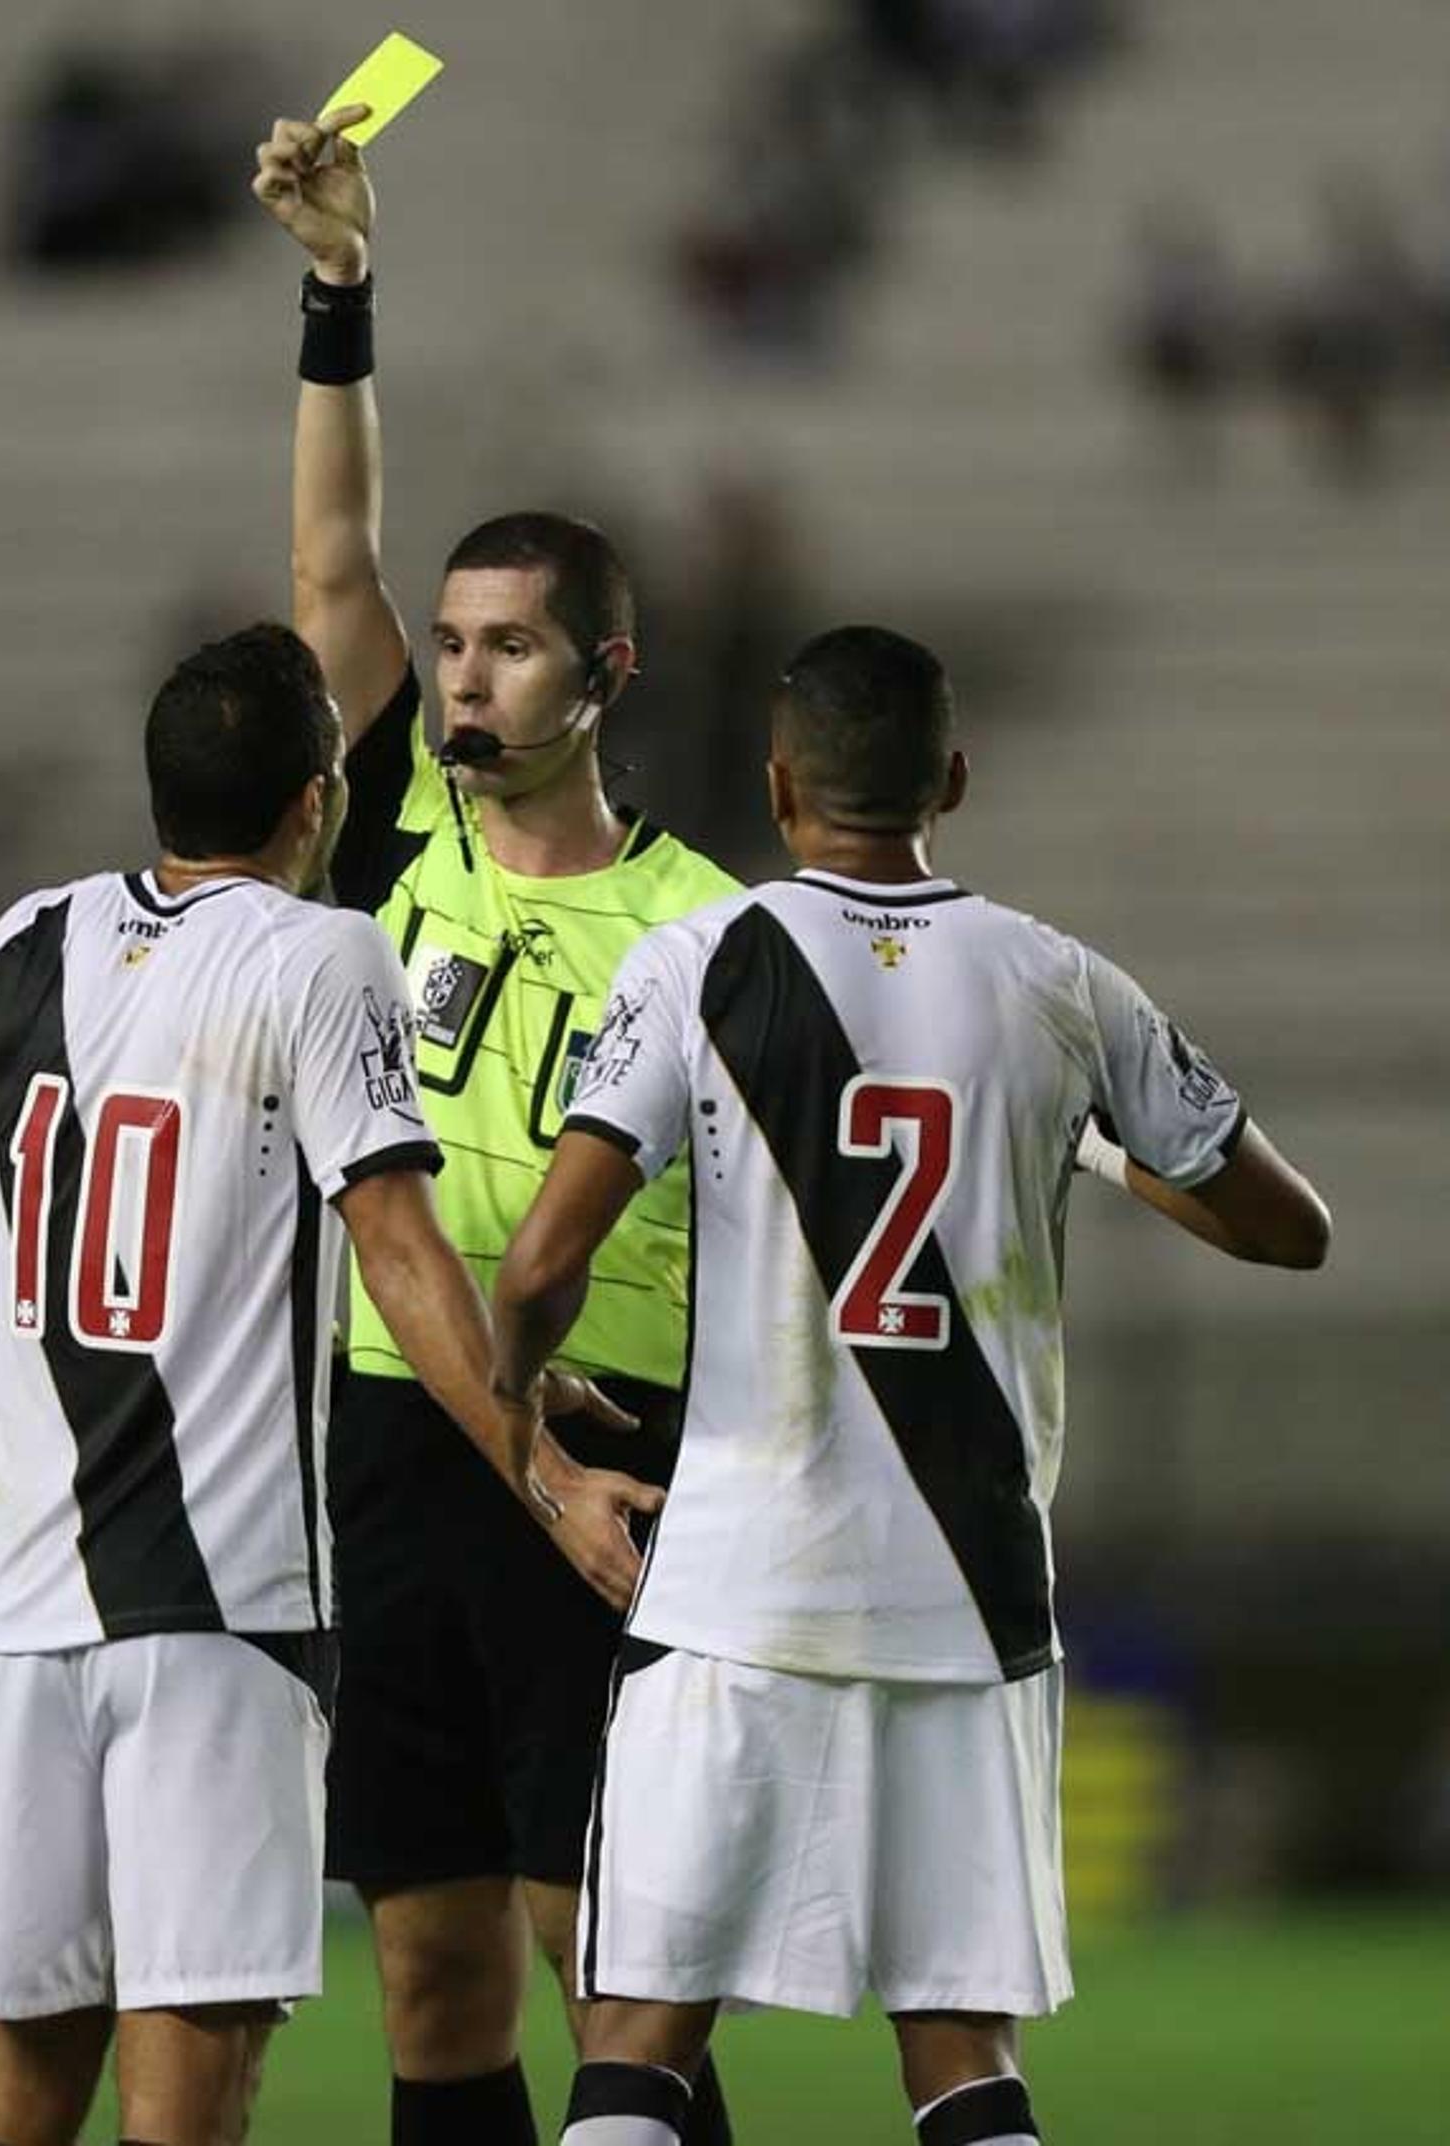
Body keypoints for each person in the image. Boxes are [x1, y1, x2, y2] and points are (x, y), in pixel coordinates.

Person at [0, 622, 651, 2146]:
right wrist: (537, 1464)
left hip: (19, 1612)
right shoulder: (320, 952)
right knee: (192, 2079)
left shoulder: (30, 941)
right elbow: (400, 1251)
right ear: (313, 803)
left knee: (28, 2070)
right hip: (210, 1613)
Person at [491, 624, 1332, 2146]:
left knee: (639, 2039)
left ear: (777, 780)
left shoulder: (700, 959)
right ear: (953, 776)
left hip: (741, 1590)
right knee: (961, 2046)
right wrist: (1096, 1151)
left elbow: (546, 1259)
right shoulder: (1061, 982)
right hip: (967, 1588)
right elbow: (1293, 1225)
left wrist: (516, 1384)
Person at [250, 108, 742, 2146]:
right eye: (450, 643)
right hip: (397, 1423)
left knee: (592, 1941)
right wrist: (339, 289)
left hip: (612, 1433)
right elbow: (323, 562)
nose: (458, 673)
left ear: (603, 671)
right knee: (431, 1963)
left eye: (508, 642)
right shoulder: (411, 835)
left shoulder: (709, 925)